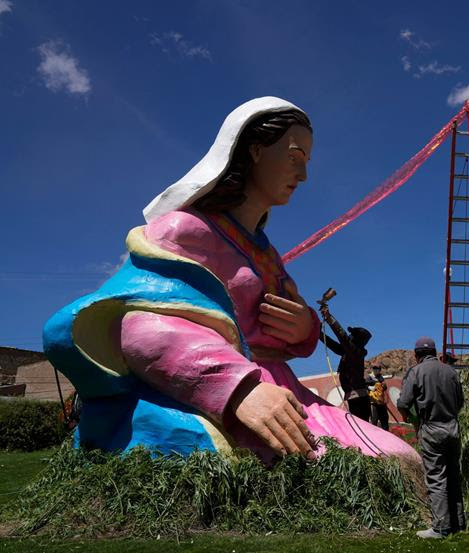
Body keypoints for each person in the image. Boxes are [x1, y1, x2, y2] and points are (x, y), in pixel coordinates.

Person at [43, 97, 416, 463]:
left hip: (283, 390)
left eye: (306, 161)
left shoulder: (266, 254)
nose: (302, 175)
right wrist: (238, 389)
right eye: (293, 156)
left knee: (399, 457)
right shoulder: (184, 230)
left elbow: (289, 335)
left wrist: (304, 327)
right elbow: (140, 327)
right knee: (372, 464)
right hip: (221, 396)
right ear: (254, 150)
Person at [397, 337, 465, 539]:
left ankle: (441, 528)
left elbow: (403, 402)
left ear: (417, 354)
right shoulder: (451, 371)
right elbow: (460, 401)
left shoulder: (416, 372)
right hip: (453, 428)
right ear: (434, 352)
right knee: (453, 475)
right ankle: (459, 522)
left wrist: (408, 417)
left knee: (436, 477)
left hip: (431, 428)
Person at [319, 301, 372, 421]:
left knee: (362, 429)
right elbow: (334, 345)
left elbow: (342, 337)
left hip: (358, 399)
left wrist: (329, 318)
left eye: (352, 336)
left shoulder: (355, 352)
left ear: (356, 340)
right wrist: (319, 334)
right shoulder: (349, 352)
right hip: (355, 398)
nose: (349, 337)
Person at [368, 363, 390, 430]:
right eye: (374, 368)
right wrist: (370, 387)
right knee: (374, 420)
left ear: (380, 370)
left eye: (377, 368)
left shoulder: (380, 377)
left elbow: (384, 387)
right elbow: (365, 386)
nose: (375, 370)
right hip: (373, 403)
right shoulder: (369, 377)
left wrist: (383, 386)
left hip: (381, 402)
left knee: (385, 419)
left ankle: (386, 435)